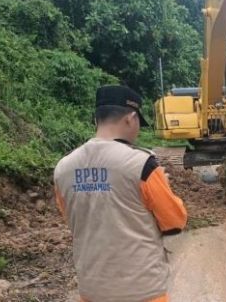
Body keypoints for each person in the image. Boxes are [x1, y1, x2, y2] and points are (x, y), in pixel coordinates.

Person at [53, 85, 188, 302]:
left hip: (92, 291)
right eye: (137, 123)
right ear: (130, 118)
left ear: (96, 119)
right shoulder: (142, 164)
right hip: (142, 292)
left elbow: (72, 218)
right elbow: (175, 222)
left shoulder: (63, 168)